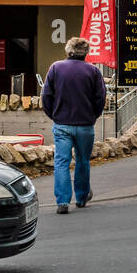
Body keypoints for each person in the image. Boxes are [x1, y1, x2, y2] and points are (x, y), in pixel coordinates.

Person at [42, 37, 106, 214]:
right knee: (83, 161)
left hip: (62, 123)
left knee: (61, 162)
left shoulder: (56, 68)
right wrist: (93, 116)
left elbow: (46, 96)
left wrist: (54, 115)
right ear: (86, 52)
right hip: (85, 124)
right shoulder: (93, 71)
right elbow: (100, 98)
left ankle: (62, 201)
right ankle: (82, 196)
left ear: (68, 50)